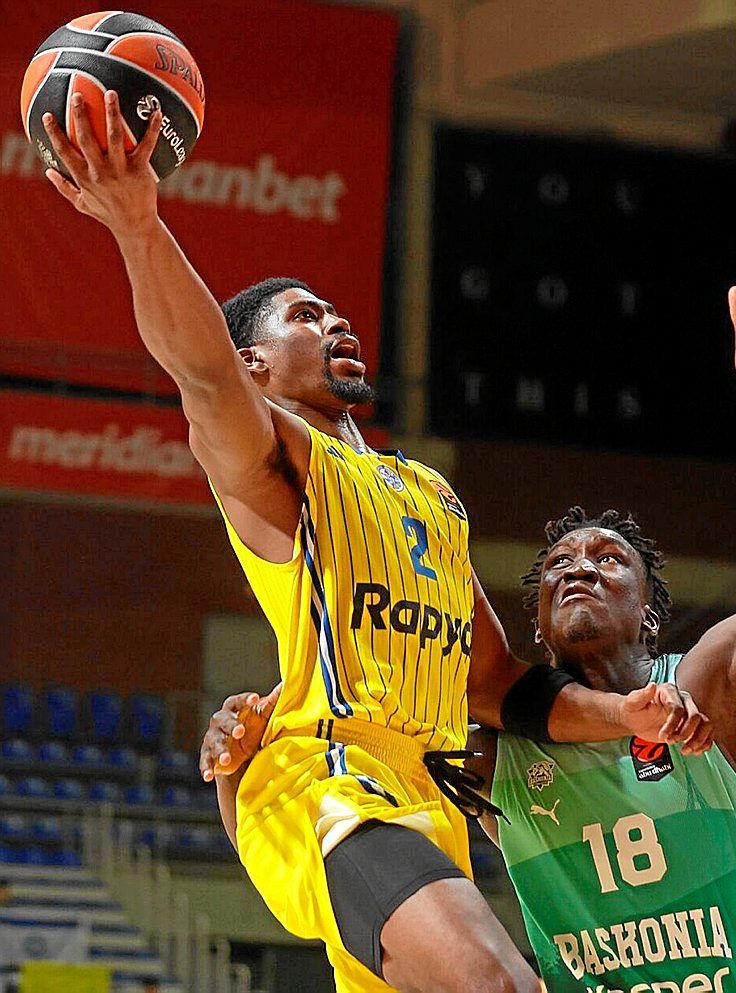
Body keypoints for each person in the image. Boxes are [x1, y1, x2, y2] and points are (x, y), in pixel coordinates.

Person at [41, 93, 701, 993]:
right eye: (305, 317)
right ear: (255, 366)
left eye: (335, 312)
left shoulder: (430, 494)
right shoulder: (275, 460)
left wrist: (623, 714)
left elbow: (494, 684)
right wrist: (137, 225)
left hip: (427, 799)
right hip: (327, 780)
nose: (336, 322)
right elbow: (202, 372)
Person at [202, 235, 736, 993]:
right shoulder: (493, 755)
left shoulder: (711, 688)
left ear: (652, 612)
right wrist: (238, 761)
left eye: (608, 559)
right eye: (557, 566)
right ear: (534, 629)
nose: (578, 567)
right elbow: (329, 822)